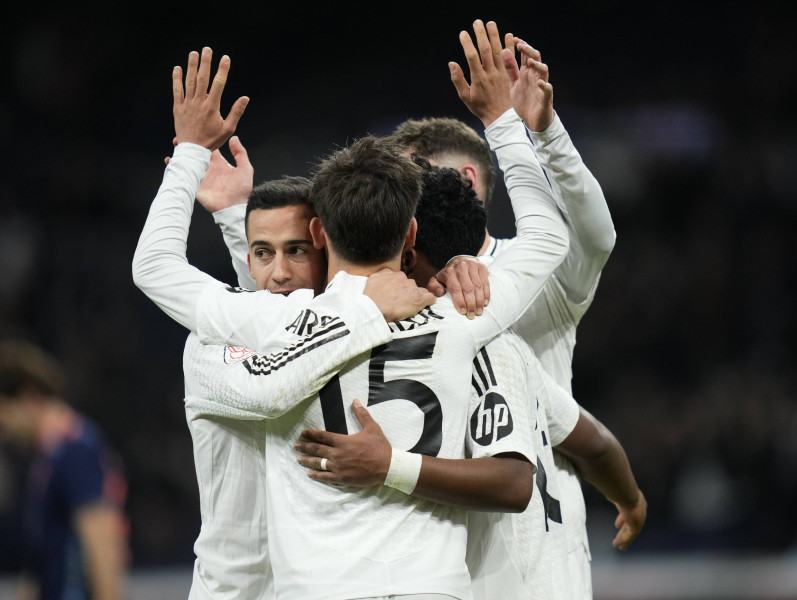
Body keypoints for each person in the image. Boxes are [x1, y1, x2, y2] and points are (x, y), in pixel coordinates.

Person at [133, 46, 569, 599]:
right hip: (432, 588)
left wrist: (192, 149)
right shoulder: (462, 314)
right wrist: (503, 122)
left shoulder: (277, 322)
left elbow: (155, 267)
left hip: (319, 588)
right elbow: (550, 236)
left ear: (318, 235)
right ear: (409, 236)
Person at [392, 20, 617, 598]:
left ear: (464, 178)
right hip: (430, 544)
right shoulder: (390, 285)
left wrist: (541, 130)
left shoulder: (538, 266)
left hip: (537, 543)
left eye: (407, 179)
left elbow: (596, 234)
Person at [0, 340, 128, 600]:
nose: (5, 431)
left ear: (29, 398)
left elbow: (101, 543)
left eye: (4, 414)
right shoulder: (47, 455)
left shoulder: (76, 448)